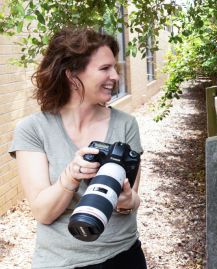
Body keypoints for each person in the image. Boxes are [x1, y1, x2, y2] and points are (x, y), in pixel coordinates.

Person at [8, 28, 147, 269]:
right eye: (105, 68)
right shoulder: (34, 129)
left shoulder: (126, 124)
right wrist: (70, 176)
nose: (115, 75)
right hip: (63, 262)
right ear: (72, 75)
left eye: (114, 67)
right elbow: (42, 212)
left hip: (125, 255)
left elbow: (133, 197)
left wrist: (126, 200)